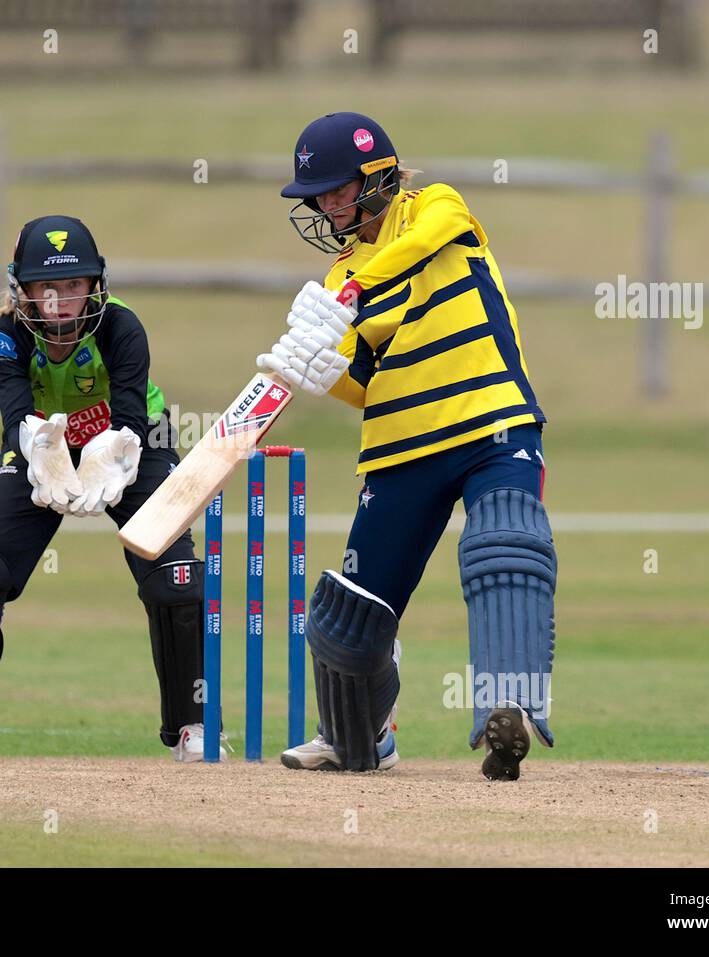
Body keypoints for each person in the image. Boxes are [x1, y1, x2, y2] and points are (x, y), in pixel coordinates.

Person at [257, 112, 557, 780]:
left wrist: (355, 287)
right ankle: (357, 734)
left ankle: (506, 703)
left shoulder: (437, 205)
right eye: (319, 195)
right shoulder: (338, 278)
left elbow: (426, 240)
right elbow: (364, 384)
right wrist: (324, 371)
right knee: (350, 617)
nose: (327, 206)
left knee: (506, 544)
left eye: (337, 190)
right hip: (400, 448)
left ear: (378, 176)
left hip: (491, 419)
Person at [0, 215, 222, 763]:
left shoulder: (123, 327)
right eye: (46, 288)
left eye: (74, 286)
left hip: (133, 439)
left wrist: (111, 459)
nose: (60, 301)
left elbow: (128, 416)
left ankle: (194, 726)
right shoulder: (5, 333)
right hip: (42, 441)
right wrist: (42, 451)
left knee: (176, 578)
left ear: (95, 286)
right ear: (23, 289)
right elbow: (14, 419)